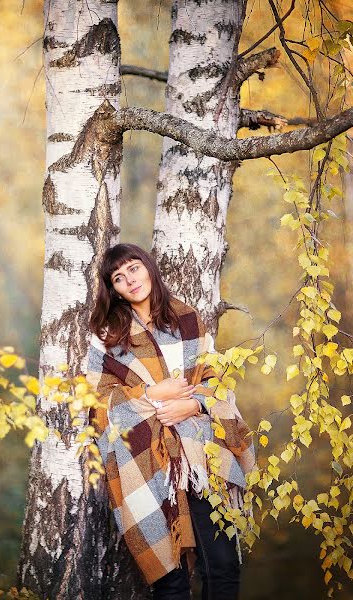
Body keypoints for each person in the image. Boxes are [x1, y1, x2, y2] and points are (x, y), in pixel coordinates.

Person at [86, 243, 256, 600]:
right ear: (113, 290)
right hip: (145, 463)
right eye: (118, 278)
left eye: (133, 268)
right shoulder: (107, 338)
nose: (129, 281)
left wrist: (193, 406)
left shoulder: (187, 319)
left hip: (201, 457)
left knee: (223, 568)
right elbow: (99, 405)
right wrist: (154, 396)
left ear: (148, 267)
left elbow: (216, 381)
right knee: (170, 582)